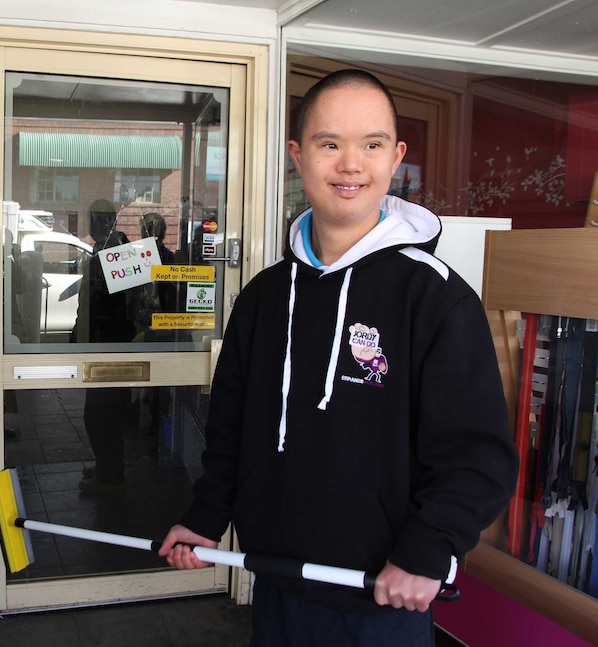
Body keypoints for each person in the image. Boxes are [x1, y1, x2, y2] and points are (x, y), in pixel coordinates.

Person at [159, 68, 519, 646]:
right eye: (330, 144)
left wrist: (430, 548)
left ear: (396, 157)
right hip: (277, 582)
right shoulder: (263, 298)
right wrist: (205, 518)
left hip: (384, 593)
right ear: (298, 157)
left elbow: (477, 455)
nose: (351, 165)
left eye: (372, 145)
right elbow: (231, 432)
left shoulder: (436, 298)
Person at [73, 199, 136, 496]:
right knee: (102, 414)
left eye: (97, 219)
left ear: (107, 221)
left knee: (102, 416)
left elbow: (116, 306)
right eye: (91, 218)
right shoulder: (108, 248)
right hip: (104, 342)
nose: (92, 224)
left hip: (110, 345)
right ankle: (107, 468)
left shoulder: (116, 252)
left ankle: (111, 480)